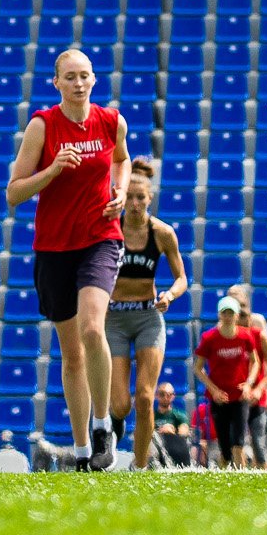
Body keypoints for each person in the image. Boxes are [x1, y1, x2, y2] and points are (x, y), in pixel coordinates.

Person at [6, 47, 131, 471]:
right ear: (56, 82)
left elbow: (122, 159)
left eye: (85, 75)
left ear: (94, 79)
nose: (79, 83)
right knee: (71, 353)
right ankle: (81, 452)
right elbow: (14, 193)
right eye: (70, 77)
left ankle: (103, 427)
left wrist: (120, 191)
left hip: (100, 238)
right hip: (54, 247)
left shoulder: (111, 121)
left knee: (93, 329)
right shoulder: (42, 125)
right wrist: (53, 170)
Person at [106, 160, 187, 469]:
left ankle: (140, 467)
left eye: (141, 198)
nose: (135, 203)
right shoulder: (109, 228)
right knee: (121, 404)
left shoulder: (162, 233)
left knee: (144, 397)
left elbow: (182, 278)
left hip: (147, 317)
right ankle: (114, 422)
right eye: (129, 197)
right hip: (114, 319)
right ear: (121, 197)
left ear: (150, 199)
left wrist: (170, 295)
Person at [194, 297, 264, 470]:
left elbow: (255, 362)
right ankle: (223, 471)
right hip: (219, 398)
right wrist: (213, 390)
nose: (227, 317)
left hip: (240, 397)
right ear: (219, 314)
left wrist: (248, 384)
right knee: (225, 448)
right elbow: (198, 368)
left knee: (238, 443)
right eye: (224, 313)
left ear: (237, 315)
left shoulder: (245, 336)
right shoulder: (209, 338)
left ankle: (241, 477)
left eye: (230, 313)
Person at [225, 284, 267, 469]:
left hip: (256, 388)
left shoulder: (257, 326)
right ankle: (238, 473)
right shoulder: (225, 328)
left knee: (257, 440)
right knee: (236, 440)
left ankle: (261, 470)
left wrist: (264, 389)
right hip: (237, 391)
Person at [150, 381, 193, 468]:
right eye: (162, 394)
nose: (165, 397)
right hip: (155, 446)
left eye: (169, 395)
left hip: (174, 447)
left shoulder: (180, 415)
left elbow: (184, 432)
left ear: (173, 396)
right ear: (156, 395)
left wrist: (171, 431)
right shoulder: (150, 416)